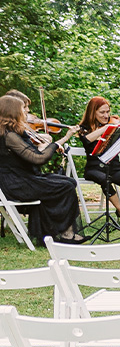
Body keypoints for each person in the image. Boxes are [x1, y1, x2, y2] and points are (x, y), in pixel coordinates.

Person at [0, 94, 84, 244]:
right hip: (16, 183)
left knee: (69, 182)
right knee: (64, 186)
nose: (26, 112)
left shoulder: (10, 133)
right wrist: (55, 145)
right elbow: (38, 159)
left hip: (20, 178)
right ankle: (65, 233)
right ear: (12, 112)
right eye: (23, 109)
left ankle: (48, 232)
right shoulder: (9, 136)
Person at [77, 97, 120, 224]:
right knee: (104, 179)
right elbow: (86, 140)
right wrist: (107, 128)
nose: (106, 115)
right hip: (94, 168)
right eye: (102, 112)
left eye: (108, 112)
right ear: (93, 112)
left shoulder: (115, 128)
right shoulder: (84, 128)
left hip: (114, 168)